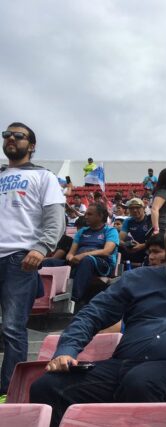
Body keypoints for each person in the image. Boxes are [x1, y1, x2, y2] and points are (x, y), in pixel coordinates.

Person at [30, 219, 166, 427]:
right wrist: (67, 350)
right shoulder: (137, 279)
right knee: (48, 386)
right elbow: (92, 315)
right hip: (122, 365)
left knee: (141, 380)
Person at [0, 122, 65, 397]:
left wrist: (41, 248)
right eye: (7, 135)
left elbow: (56, 218)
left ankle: (8, 391)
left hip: (19, 259)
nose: (11, 138)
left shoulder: (43, 176)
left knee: (12, 328)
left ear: (32, 145)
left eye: (19, 135)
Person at [42, 204, 119, 303]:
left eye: (89, 214)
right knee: (48, 263)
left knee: (87, 260)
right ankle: (42, 296)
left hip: (102, 264)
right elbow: (71, 253)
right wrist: (70, 258)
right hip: (78, 261)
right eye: (85, 214)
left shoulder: (110, 231)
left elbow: (106, 251)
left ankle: (74, 299)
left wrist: (83, 255)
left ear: (100, 216)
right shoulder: (82, 231)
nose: (85, 216)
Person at [120, 198, 151, 266]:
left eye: (137, 207)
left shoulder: (150, 220)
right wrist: (126, 245)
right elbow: (119, 240)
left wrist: (142, 246)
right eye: (131, 208)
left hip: (148, 249)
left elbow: (156, 241)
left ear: (143, 208)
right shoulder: (128, 221)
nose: (134, 210)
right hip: (134, 250)